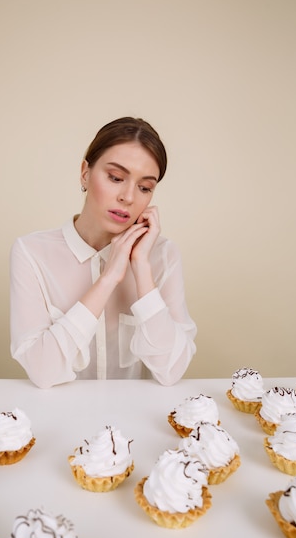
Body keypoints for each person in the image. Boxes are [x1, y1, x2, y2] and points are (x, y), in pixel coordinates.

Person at [10, 117, 196, 388]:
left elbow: (171, 371)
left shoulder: (163, 255)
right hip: (58, 423)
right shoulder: (31, 253)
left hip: (136, 425)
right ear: (85, 173)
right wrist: (108, 279)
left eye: (145, 188)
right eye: (116, 178)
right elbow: (42, 371)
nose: (129, 197)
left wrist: (141, 267)